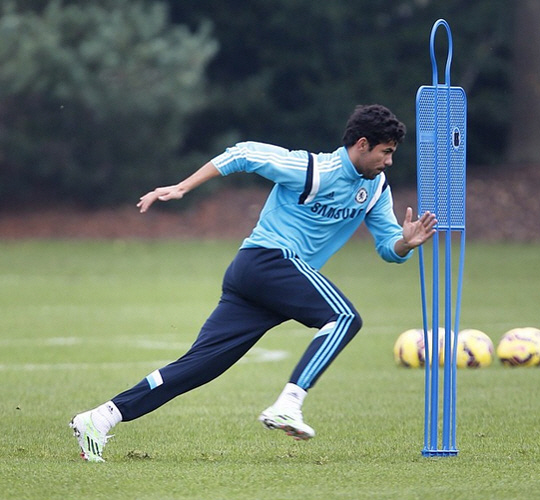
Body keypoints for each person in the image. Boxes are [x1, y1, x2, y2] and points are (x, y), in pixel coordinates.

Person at [70, 104, 437, 462]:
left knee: (198, 367)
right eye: (386, 152)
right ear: (362, 144)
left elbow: (388, 247)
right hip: (267, 261)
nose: (389, 161)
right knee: (344, 318)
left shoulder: (376, 189)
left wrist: (405, 242)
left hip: (265, 282)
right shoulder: (313, 169)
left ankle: (100, 418)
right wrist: (183, 186)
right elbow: (243, 153)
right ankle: (289, 403)